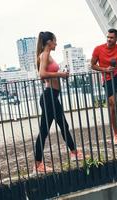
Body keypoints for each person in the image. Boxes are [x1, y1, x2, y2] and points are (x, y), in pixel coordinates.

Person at [35, 31, 83, 173]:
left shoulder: (45, 55)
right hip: (49, 97)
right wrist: (60, 74)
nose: (56, 43)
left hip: (51, 96)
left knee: (47, 130)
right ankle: (73, 152)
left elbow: (44, 77)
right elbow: (42, 75)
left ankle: (39, 163)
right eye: (55, 41)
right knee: (60, 125)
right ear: (49, 42)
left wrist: (59, 75)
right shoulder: (45, 55)